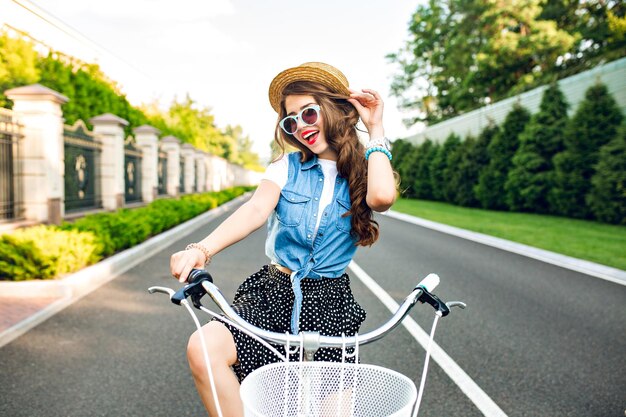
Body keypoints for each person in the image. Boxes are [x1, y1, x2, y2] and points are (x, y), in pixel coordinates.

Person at [170, 62, 397, 416]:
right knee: (204, 348)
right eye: (291, 121)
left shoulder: (366, 170)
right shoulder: (285, 167)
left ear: (335, 108)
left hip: (330, 304)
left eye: (309, 112)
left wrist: (376, 128)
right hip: (272, 293)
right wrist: (201, 249)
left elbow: (381, 198)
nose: (301, 127)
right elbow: (256, 210)